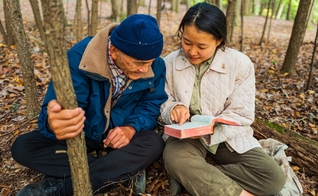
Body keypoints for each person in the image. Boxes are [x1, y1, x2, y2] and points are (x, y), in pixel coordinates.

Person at [11, 14, 168, 196]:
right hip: (83, 134)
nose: (144, 69)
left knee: (154, 143)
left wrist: (130, 128)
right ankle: (120, 172)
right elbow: (60, 111)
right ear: (115, 51)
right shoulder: (79, 59)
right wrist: (54, 124)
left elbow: (150, 105)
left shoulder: (156, 65)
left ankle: (57, 189)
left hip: (121, 138)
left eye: (149, 62)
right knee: (23, 147)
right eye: (138, 63)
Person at [160, 3, 286, 196]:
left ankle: (191, 179)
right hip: (185, 137)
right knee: (175, 158)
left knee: (273, 178)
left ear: (219, 40)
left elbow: (242, 113)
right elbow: (162, 101)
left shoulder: (239, 64)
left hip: (226, 135)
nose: (192, 51)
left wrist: (210, 128)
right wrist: (173, 109)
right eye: (186, 42)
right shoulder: (169, 62)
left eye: (201, 46)